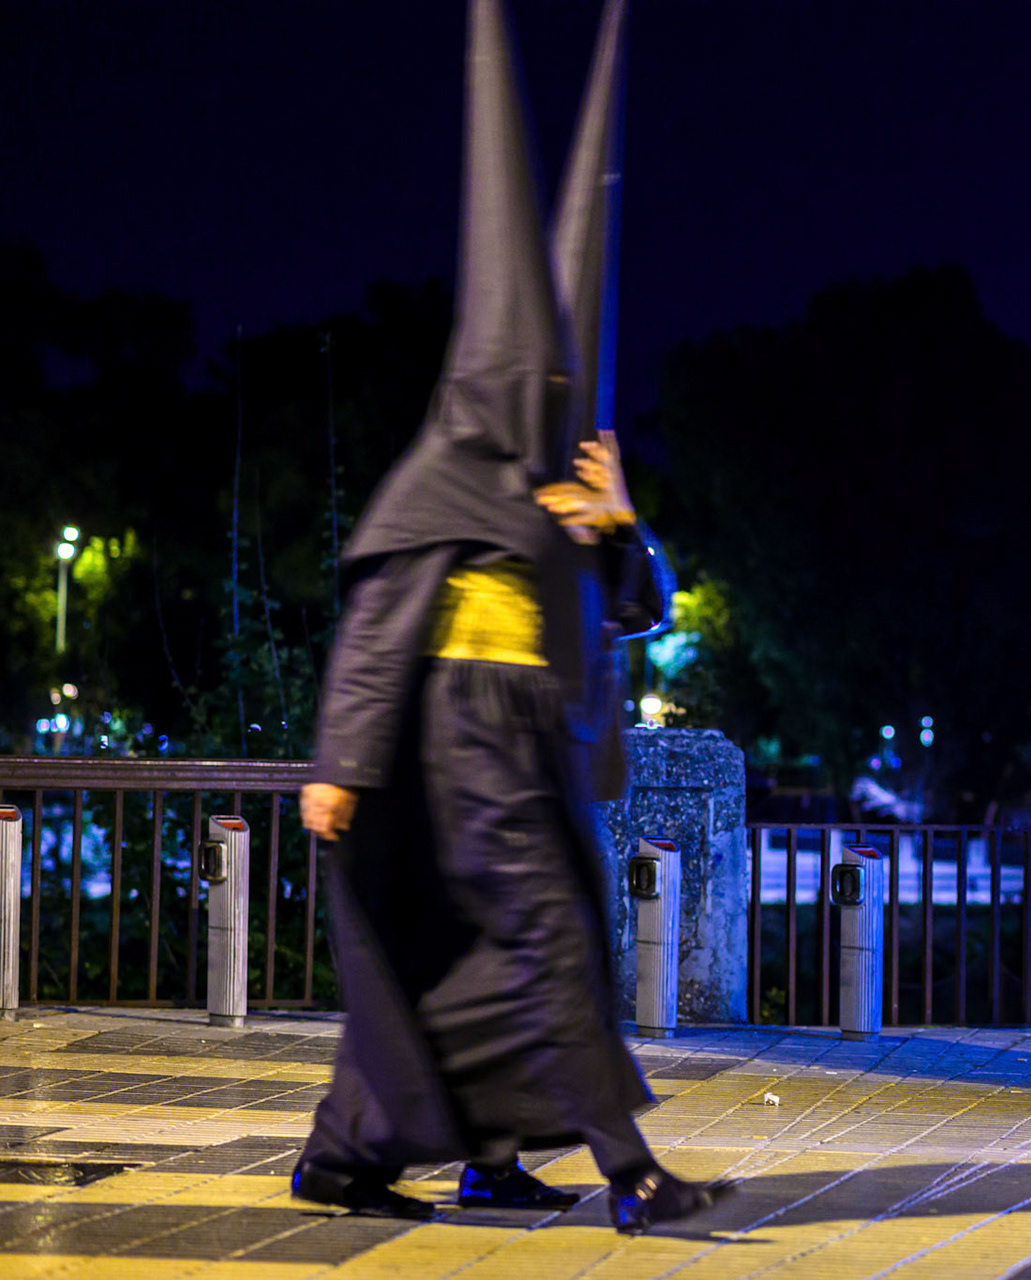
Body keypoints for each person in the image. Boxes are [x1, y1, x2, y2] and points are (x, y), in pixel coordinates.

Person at [290, 0, 728, 1235]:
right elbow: (379, 624)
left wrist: (620, 520)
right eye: (530, 375)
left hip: (533, 741)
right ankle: (630, 1171)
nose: (548, 392)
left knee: (473, 962)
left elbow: (640, 611)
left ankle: (365, 1156)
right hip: (461, 738)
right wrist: (339, 761)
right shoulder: (447, 473)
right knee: (550, 940)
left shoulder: (570, 480)